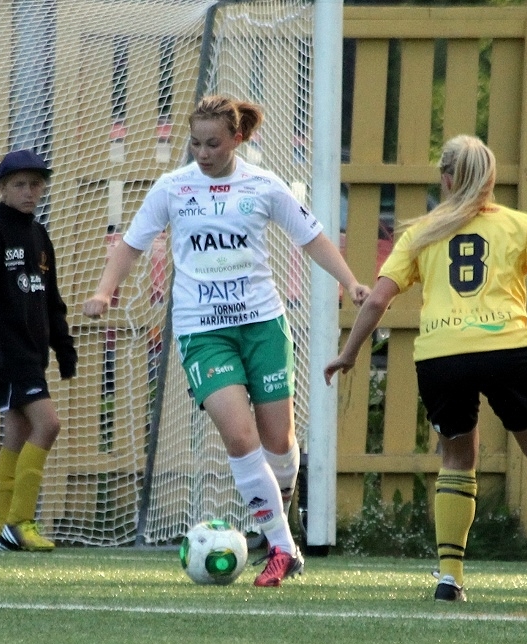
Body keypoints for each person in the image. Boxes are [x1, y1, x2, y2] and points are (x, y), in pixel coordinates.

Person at [83, 94, 370, 587]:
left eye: (213, 143)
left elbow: (313, 237)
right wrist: (104, 291)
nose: (203, 153)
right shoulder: (173, 188)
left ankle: (278, 517)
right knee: (240, 437)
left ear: (237, 139)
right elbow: (130, 245)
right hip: (202, 331)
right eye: (195, 143)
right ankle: (283, 548)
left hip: (262, 326)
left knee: (279, 442)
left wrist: (350, 282)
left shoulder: (263, 186)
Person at [324, 134, 527, 602]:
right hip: (507, 351)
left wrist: (350, 353)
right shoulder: (519, 225)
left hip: (441, 357)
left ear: (445, 179)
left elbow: (377, 299)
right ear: (491, 180)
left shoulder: (421, 233)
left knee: (457, 460)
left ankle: (450, 577)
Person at [0, 149, 77, 552]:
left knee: (18, 432)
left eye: (36, 185)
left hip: (32, 354)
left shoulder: (40, 237)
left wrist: (63, 348)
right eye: (20, 185)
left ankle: (0, 529)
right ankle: (20, 521)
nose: (29, 192)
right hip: (6, 353)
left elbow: (51, 300)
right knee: (49, 425)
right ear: (3, 189)